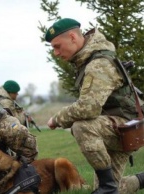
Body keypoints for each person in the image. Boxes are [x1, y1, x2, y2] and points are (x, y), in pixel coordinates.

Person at [45, 18, 144, 194]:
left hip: (125, 127)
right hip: (118, 126)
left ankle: (107, 187)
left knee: (82, 126)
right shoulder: (88, 59)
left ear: (73, 37)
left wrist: (57, 119)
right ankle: (136, 181)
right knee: (113, 190)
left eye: (57, 46)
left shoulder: (99, 63)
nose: (56, 53)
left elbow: (89, 107)